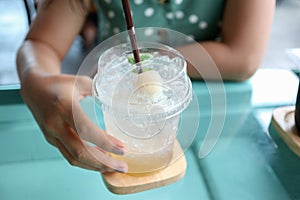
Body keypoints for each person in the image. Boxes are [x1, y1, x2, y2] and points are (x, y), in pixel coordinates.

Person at [16, 0, 275, 173]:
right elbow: (40, 44)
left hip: (219, 123)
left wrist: (157, 70)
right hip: (116, 115)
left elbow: (243, 57)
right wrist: (36, 81)